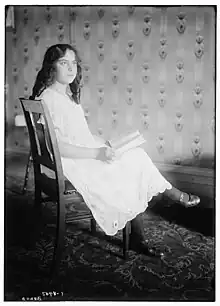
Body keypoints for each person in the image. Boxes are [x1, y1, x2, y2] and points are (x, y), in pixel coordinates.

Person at [30, 44, 200, 258]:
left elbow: (76, 135)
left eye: (74, 63)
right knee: (135, 163)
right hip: (73, 164)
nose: (71, 68)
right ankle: (170, 197)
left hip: (80, 155)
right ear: (51, 67)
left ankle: (152, 218)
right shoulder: (49, 99)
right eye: (64, 63)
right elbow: (59, 147)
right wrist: (98, 154)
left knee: (132, 157)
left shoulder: (64, 95)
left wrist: (103, 143)